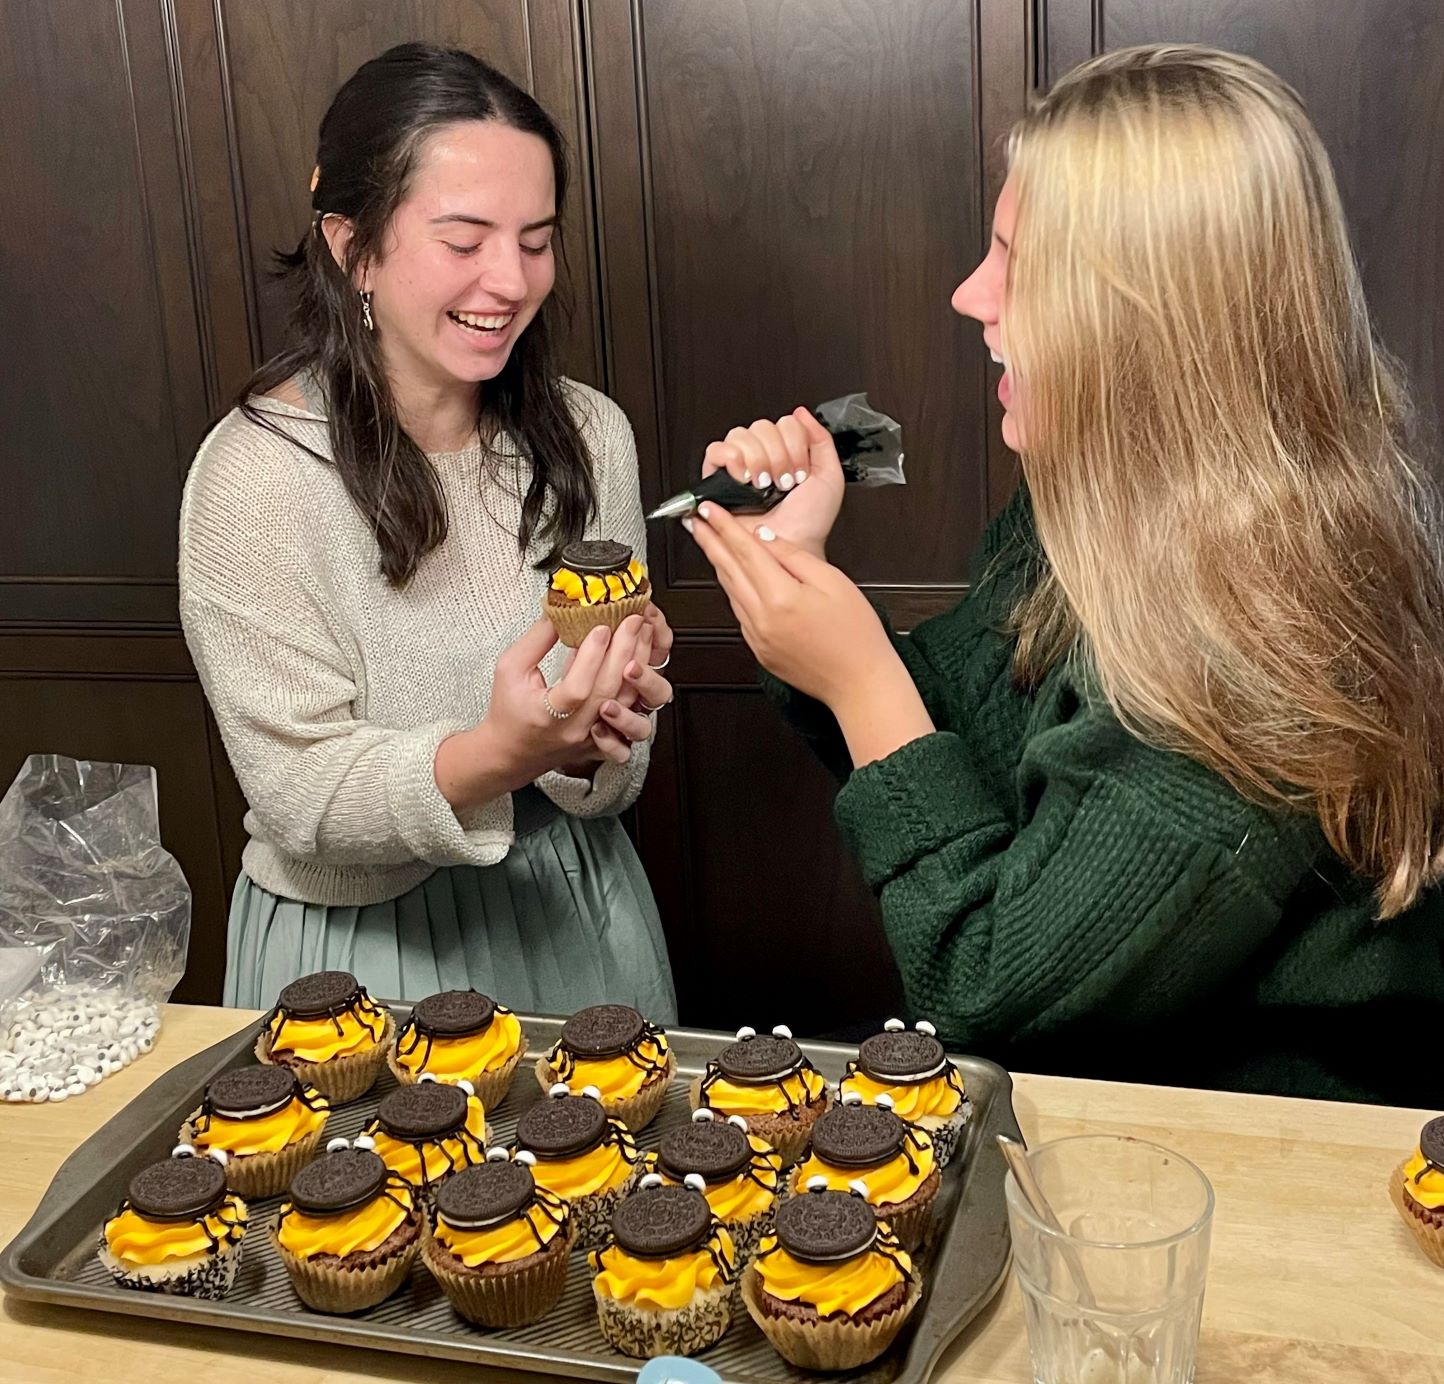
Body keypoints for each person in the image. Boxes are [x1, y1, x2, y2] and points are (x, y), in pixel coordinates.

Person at [687, 44, 1444, 1103]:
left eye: (1016, 263)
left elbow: (992, 990)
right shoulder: (1097, 507)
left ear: (1152, 318)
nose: (967, 295)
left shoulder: (1265, 650)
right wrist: (793, 569)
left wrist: (855, 673)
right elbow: (943, 728)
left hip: (1257, 1173)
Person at [179, 43, 676, 1019]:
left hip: (578, 912)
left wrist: (594, 735)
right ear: (350, 244)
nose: (510, 279)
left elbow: (613, 780)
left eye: (536, 240)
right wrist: (501, 751)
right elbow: (300, 796)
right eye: (464, 240)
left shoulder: (589, 438)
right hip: (357, 960)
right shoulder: (254, 476)